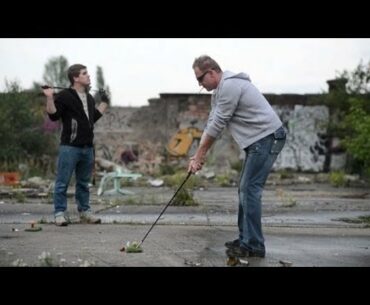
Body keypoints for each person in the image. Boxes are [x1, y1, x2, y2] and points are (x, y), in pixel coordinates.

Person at [188, 55, 286, 258]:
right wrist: (198, 155)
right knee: (245, 189)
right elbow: (211, 122)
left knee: (249, 189)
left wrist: (199, 155)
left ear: (212, 73)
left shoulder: (230, 87)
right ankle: (246, 239)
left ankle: (254, 245)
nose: (199, 84)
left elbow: (218, 125)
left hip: (267, 138)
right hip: (258, 141)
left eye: (200, 79)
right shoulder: (220, 92)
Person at [43, 64, 109, 226]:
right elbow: (53, 115)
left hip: (87, 148)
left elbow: (92, 118)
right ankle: (59, 213)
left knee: (83, 184)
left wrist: (105, 101)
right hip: (70, 147)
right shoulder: (65, 96)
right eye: (85, 73)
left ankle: (85, 212)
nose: (89, 76)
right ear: (75, 78)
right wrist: (50, 97)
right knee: (62, 182)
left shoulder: (89, 97)